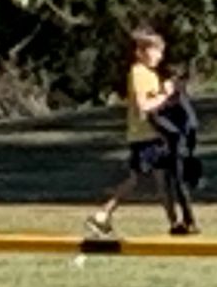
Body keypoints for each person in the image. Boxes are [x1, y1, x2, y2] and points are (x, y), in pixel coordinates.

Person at [85, 28, 201, 237]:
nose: (159, 56)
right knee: (135, 180)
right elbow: (143, 106)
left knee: (161, 181)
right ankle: (102, 215)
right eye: (156, 51)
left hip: (154, 136)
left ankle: (175, 223)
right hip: (143, 136)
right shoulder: (139, 73)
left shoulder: (150, 75)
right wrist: (165, 95)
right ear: (141, 52)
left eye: (161, 52)